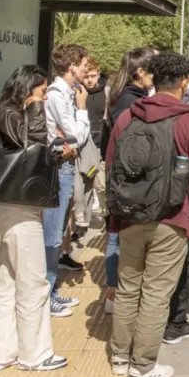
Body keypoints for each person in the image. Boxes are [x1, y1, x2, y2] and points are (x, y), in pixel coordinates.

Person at [106, 51, 189, 377]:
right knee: (156, 293)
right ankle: (142, 367)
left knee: (128, 287)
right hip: (172, 216)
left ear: (152, 78)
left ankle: (120, 356)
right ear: (184, 82)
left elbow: (111, 164)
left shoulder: (128, 116)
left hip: (129, 216)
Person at [0, 65, 69, 372]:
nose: (45, 97)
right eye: (42, 91)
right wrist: (35, 106)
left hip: (12, 206)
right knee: (33, 282)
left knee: (9, 281)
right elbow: (31, 139)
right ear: (27, 88)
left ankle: (1, 351)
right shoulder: (10, 113)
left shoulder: (8, 113)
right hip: (19, 209)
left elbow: (32, 149)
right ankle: (35, 354)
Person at [102, 47, 157, 314]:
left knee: (118, 234)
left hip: (122, 177)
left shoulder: (128, 95)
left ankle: (115, 292)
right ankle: (113, 293)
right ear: (140, 72)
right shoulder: (128, 100)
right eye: (153, 70)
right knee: (116, 236)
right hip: (125, 179)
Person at [43, 44, 90, 317]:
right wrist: (82, 110)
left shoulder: (67, 94)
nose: (86, 69)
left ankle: (51, 290)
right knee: (52, 235)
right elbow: (75, 137)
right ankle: (46, 295)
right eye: (83, 65)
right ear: (72, 66)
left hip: (66, 166)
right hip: (59, 167)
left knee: (59, 231)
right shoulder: (57, 95)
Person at [72, 58, 107, 245]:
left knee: (100, 186)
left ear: (99, 75)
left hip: (99, 148)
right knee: (82, 188)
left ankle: (106, 215)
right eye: (87, 76)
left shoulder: (106, 93)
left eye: (94, 76)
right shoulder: (77, 92)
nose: (90, 80)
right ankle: (81, 223)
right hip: (82, 147)